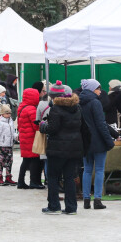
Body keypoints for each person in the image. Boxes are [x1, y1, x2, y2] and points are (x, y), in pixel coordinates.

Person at [43, 83, 86, 215]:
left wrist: (43, 126)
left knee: (53, 177)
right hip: (74, 147)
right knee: (69, 177)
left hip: (57, 148)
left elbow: (52, 129)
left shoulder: (56, 109)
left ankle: (54, 206)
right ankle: (71, 207)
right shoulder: (77, 107)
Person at [79, 79, 115, 210]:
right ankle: (98, 199)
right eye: (99, 88)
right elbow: (101, 124)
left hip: (85, 141)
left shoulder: (80, 102)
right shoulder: (95, 102)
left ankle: (86, 199)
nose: (100, 91)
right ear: (93, 89)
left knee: (87, 170)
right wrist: (109, 141)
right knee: (99, 170)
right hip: (98, 141)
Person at [17, 88, 44, 189]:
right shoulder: (31, 109)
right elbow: (36, 125)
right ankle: (33, 181)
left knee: (26, 161)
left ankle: (20, 181)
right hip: (31, 138)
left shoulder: (22, 107)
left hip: (24, 137)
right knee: (34, 160)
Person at [0, 104, 16, 186]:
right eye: (7, 113)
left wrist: (16, 137)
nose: (9, 115)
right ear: (2, 114)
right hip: (2, 146)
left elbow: (13, 132)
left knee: (10, 161)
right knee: (1, 162)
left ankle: (8, 177)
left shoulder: (11, 121)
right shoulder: (0, 123)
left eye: (10, 113)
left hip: (9, 145)